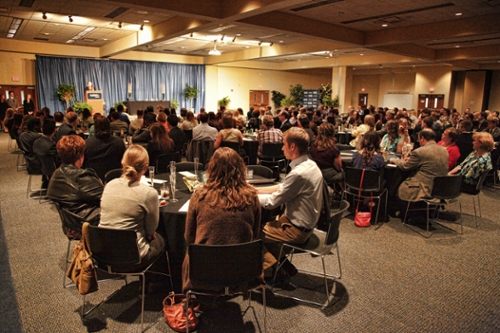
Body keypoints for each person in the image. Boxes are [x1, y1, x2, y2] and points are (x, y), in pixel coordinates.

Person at [182, 147, 261, 292]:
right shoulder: (252, 196)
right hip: (241, 267)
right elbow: (255, 235)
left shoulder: (199, 196)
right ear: (240, 169)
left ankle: (196, 294)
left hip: (205, 268)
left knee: (190, 252)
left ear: (211, 169)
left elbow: (189, 237)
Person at [257, 127, 323, 283]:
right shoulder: (310, 165)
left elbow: (271, 203)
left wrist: (245, 195)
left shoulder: (298, 174)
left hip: (296, 230)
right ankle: (284, 266)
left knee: (251, 234)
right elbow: (283, 187)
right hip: (303, 224)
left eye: (283, 144)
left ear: (292, 147)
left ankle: (271, 272)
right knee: (265, 227)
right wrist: (255, 190)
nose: (281, 148)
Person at [99, 145, 165, 271]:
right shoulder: (148, 193)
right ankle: (158, 283)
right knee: (161, 238)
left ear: (122, 163)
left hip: (103, 251)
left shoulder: (109, 185)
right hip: (134, 255)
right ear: (145, 168)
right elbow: (151, 231)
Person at [47, 135, 104, 239]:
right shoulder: (81, 177)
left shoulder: (56, 174)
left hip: (70, 225)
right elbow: (106, 197)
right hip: (88, 224)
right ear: (81, 156)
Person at [389, 129, 448, 202]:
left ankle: (392, 207)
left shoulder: (420, 151)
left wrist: (395, 160)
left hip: (424, 189)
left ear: (422, 138)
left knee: (394, 183)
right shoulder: (444, 151)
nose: (418, 141)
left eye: (418, 139)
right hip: (440, 189)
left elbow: (405, 166)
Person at [310, 122, 344, 187]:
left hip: (316, 172)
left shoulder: (313, 146)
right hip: (328, 175)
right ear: (332, 133)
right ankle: (343, 194)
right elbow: (338, 166)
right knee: (345, 174)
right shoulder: (333, 148)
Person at [33, 119, 59, 184]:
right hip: (50, 170)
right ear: (55, 131)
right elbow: (58, 159)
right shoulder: (51, 145)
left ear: (41, 129)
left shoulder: (36, 142)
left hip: (38, 167)